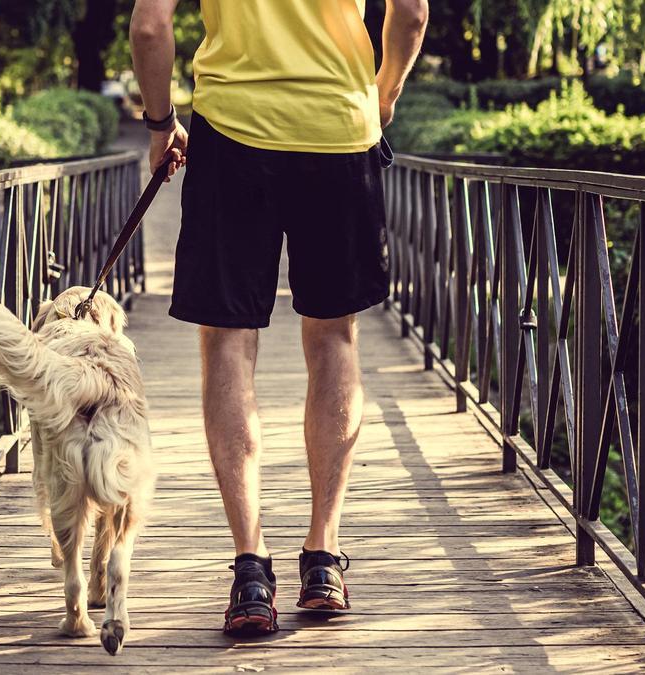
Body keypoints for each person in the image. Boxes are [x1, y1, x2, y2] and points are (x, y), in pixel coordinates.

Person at [130, 0, 428, 634]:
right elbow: (411, 12)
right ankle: (323, 557)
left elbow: (151, 24)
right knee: (334, 340)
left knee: (229, 345)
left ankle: (249, 569)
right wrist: (381, 98)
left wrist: (161, 125)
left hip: (233, 134)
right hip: (340, 131)